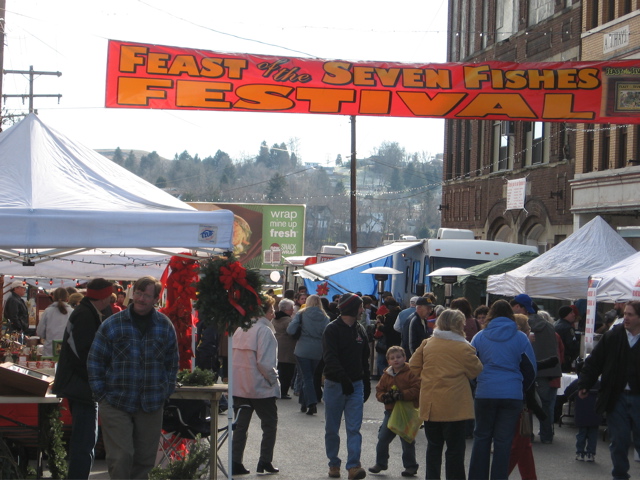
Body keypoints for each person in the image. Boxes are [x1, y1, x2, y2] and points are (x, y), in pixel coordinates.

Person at [87, 276, 179, 480]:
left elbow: (172, 363)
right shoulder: (113, 324)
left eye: (147, 295)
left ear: (156, 298)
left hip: (151, 403)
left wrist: (165, 391)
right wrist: (101, 394)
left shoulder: (164, 325)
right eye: (138, 293)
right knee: (121, 456)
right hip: (116, 401)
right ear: (132, 294)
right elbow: (95, 360)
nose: (141, 298)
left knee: (145, 461)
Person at [410, 309, 483, 480]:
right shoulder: (464, 347)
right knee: (455, 450)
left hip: (431, 403)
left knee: (433, 447)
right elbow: (476, 370)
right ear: (459, 325)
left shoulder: (427, 343)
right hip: (455, 405)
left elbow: (413, 366)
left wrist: (426, 379)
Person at [52, 278, 114, 480]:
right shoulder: (85, 315)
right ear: (104, 297)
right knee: (85, 440)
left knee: (87, 439)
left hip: (83, 385)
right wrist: (99, 379)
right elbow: (84, 355)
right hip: (81, 386)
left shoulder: (90, 312)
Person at [468, 300, 537, 480]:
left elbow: (471, 365)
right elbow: (531, 369)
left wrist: (478, 383)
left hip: (485, 392)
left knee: (482, 437)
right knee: (504, 441)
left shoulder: (480, 337)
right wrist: (519, 388)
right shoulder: (521, 338)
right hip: (511, 394)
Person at [577, 300, 640, 480]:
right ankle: (620, 476)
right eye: (625, 314)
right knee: (619, 440)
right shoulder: (613, 336)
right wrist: (584, 384)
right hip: (616, 396)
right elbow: (595, 362)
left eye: (630, 315)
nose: (625, 318)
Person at [230, 295, 280, 475]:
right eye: (271, 310)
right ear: (263, 312)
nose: (273, 314)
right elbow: (266, 363)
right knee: (269, 424)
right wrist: (274, 381)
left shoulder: (241, 329)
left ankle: (235, 461)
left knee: (240, 426)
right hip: (260, 388)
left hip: (241, 386)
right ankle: (264, 460)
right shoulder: (264, 331)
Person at [323, 293, 371, 480]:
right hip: (335, 384)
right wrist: (343, 379)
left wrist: (366, 382)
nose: (362, 310)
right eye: (360, 307)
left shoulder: (360, 330)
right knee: (332, 428)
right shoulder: (332, 330)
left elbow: (364, 360)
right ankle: (334, 464)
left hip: (356, 385)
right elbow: (330, 358)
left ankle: (353, 466)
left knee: (354, 427)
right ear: (352, 308)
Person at [511, 293, 561, 444]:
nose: (512, 310)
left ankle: (528, 434)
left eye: (513, 307)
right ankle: (546, 435)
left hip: (530, 369)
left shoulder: (521, 326)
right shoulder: (548, 325)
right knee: (545, 405)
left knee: (528, 404)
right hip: (549, 369)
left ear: (520, 307)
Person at [370, 346, 421, 477]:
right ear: (388, 361)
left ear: (405, 358)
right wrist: (384, 397)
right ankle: (380, 463)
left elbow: (417, 389)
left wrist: (402, 395)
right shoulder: (386, 374)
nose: (396, 360)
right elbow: (379, 390)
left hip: (407, 412)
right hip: (391, 411)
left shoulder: (411, 372)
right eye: (392, 358)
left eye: (398, 357)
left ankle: (410, 466)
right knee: (382, 438)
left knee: (406, 439)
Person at [287, 294, 330, 415]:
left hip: (302, 348)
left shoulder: (302, 314)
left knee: (306, 376)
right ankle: (303, 403)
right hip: (318, 350)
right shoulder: (325, 317)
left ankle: (311, 403)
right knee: (309, 375)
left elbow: (290, 330)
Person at [36, 287, 73, 357]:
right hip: (67, 352)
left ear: (53, 297)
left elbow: (40, 332)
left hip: (49, 352)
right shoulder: (72, 312)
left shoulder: (47, 311)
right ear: (67, 298)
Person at [273, 298, 297, 399]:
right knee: (287, 372)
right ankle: (283, 392)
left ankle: (276, 390)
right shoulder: (288, 320)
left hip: (276, 346)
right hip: (287, 348)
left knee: (278, 370)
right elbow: (293, 332)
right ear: (286, 310)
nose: (293, 310)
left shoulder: (274, 318)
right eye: (291, 308)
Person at [555, 305, 580, 372]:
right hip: (565, 359)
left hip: (556, 357)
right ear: (566, 315)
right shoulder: (567, 328)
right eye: (571, 313)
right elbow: (572, 345)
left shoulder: (555, 324)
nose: (574, 315)